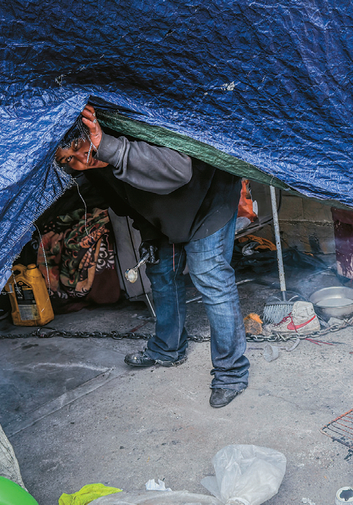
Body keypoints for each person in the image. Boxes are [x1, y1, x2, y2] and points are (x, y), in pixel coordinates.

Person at [54, 104, 250, 408]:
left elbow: (179, 169)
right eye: (69, 161)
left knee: (210, 278)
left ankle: (231, 373)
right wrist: (151, 234)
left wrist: (107, 147)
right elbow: (126, 200)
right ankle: (167, 349)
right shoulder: (92, 171)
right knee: (160, 274)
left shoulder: (119, 134)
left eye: (81, 148)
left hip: (205, 200)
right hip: (165, 216)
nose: (82, 159)